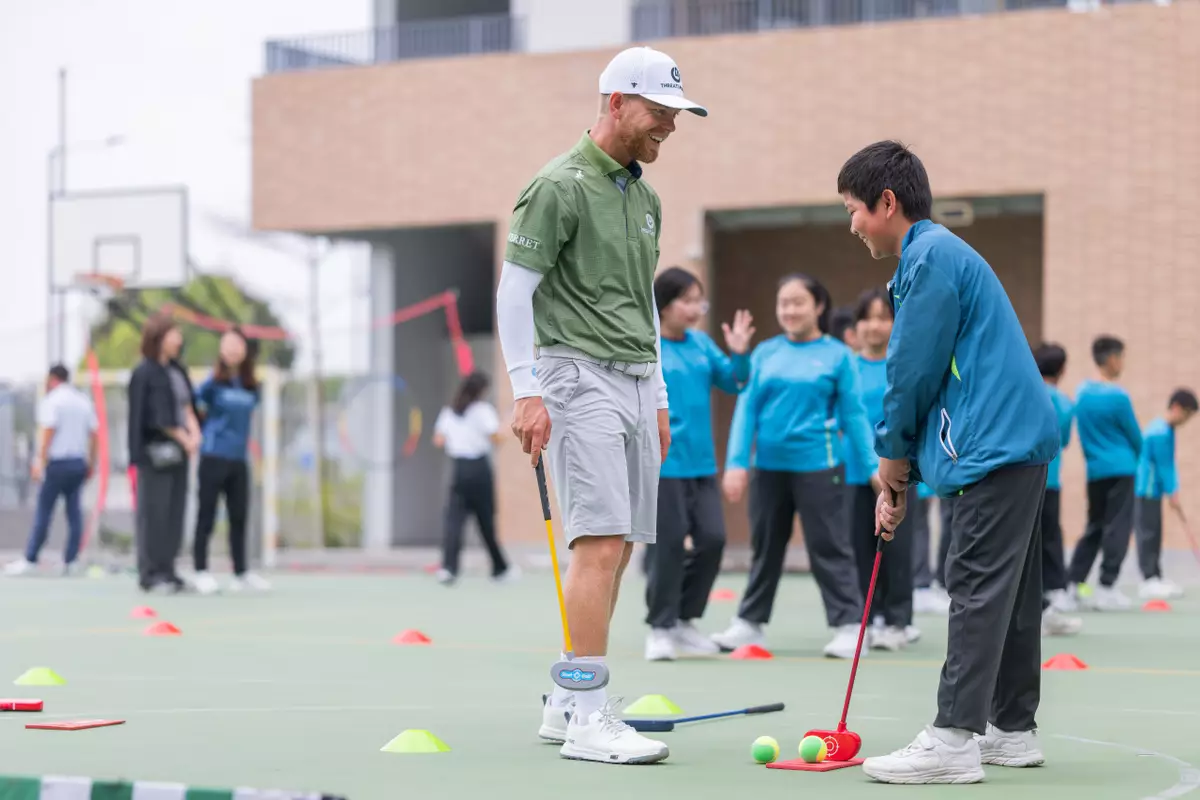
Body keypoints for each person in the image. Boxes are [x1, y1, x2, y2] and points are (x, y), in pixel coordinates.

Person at [496, 44, 707, 765]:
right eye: (660, 111)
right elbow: (514, 293)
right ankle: (588, 713)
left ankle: (567, 700)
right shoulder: (556, 186)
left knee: (619, 550)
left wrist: (660, 394)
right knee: (600, 543)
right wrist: (526, 389)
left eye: (677, 113)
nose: (671, 125)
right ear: (617, 102)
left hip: (638, 381)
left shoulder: (646, 198)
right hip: (575, 375)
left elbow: (643, 304)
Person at [839, 140, 1061, 784]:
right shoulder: (939, 254)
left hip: (995, 443)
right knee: (1010, 593)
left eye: (853, 210)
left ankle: (953, 739)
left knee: (975, 584)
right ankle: (1011, 730)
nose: (852, 226)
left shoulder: (929, 258)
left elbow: (911, 370)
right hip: (1014, 440)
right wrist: (905, 471)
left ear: (886, 202)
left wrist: (891, 458)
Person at [711, 273, 876, 660]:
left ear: (818, 306)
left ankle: (850, 625)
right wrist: (736, 463)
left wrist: (872, 467)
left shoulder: (838, 356)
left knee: (829, 546)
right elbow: (746, 411)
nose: (789, 310)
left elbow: (854, 416)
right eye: (783, 303)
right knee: (765, 547)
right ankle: (750, 623)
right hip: (768, 468)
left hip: (820, 466)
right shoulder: (765, 353)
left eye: (798, 302)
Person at [643, 266, 753, 662]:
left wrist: (739, 353)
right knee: (669, 545)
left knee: (713, 540)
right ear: (663, 305)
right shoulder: (648, 346)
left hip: (702, 466)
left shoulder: (702, 345)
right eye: (686, 301)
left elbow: (736, 381)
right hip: (662, 465)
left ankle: (684, 620)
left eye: (698, 301)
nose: (694, 309)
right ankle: (660, 627)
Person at [845, 287, 916, 651]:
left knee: (897, 549)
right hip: (854, 474)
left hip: (897, 475)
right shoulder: (846, 368)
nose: (874, 326)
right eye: (867, 318)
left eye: (883, 318)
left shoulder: (902, 366)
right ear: (856, 326)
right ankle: (867, 619)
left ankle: (898, 620)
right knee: (859, 547)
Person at [190, 328, 270, 595]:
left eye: (238, 344)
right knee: (207, 515)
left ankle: (241, 573)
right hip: (213, 456)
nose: (233, 349)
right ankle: (201, 571)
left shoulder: (251, 386)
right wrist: (201, 434)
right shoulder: (212, 384)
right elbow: (195, 409)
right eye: (228, 344)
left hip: (238, 459)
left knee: (239, 517)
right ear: (221, 349)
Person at [1066, 335, 1143, 610]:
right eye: (1121, 358)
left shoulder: (1081, 394)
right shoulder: (1119, 397)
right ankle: (1107, 587)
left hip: (1095, 471)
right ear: (1111, 359)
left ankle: (1072, 583)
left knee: (1095, 526)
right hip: (1122, 469)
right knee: (1118, 527)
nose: (1122, 363)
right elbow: (1135, 437)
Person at [127, 312, 200, 594]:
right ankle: (151, 574)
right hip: (153, 454)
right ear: (159, 337)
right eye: (174, 334)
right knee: (154, 514)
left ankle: (169, 571)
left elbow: (186, 406)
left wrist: (194, 434)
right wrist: (183, 437)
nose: (179, 339)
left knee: (174, 514)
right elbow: (158, 417)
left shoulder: (177, 371)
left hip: (179, 454)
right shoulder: (145, 372)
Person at [4, 365, 97, 577]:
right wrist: (91, 463)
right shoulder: (83, 401)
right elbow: (94, 435)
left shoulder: (52, 401)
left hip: (57, 464)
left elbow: (48, 431)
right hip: (77, 463)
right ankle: (71, 560)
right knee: (74, 513)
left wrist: (39, 461)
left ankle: (31, 558)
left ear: (53, 379)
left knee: (44, 512)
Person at [431, 370, 517, 585]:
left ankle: (448, 569)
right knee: (486, 522)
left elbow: (439, 440)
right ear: (482, 390)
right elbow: (496, 438)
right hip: (479, 470)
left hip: (459, 470)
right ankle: (500, 569)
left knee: (453, 521)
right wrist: (508, 425)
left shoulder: (449, 411)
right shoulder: (482, 410)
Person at [1032, 343, 1083, 636]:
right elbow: (1063, 440)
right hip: (1049, 478)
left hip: (1021, 478)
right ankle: (1054, 593)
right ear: (1062, 370)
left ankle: (1042, 603)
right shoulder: (1063, 402)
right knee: (1050, 536)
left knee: (1027, 540)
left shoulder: (1026, 393)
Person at [1133, 388, 1198, 600]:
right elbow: (1165, 466)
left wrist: (1171, 491)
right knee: (1148, 533)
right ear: (1176, 408)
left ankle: (1156, 576)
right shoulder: (1160, 432)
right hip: (1146, 488)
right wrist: (1173, 492)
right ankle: (1148, 579)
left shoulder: (1165, 429)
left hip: (1154, 490)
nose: (1186, 421)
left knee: (1155, 532)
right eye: (1186, 415)